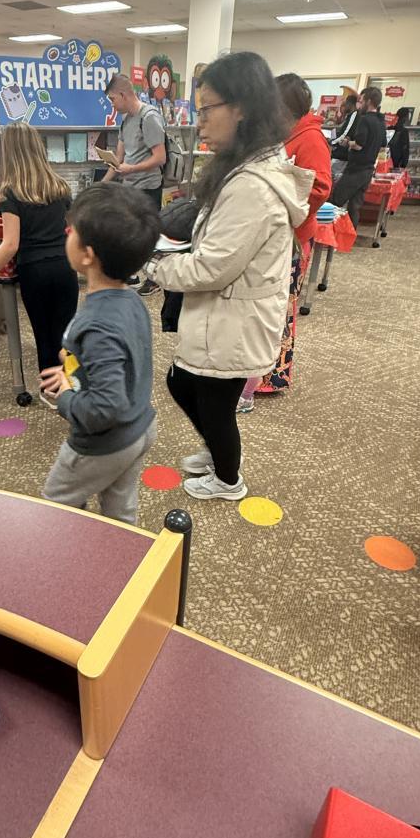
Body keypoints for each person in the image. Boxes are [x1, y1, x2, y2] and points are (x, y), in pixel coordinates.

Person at [148, 51, 311, 502]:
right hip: (226, 313)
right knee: (185, 384)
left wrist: (151, 264)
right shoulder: (243, 168)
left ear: (240, 108)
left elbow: (210, 268)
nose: (199, 123)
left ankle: (227, 479)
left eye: (207, 110)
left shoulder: (251, 186)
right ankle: (220, 454)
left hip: (233, 319)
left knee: (213, 403)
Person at [40, 183, 160, 525]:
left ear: (87, 255)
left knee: (55, 506)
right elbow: (126, 358)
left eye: (70, 232)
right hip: (139, 428)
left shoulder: (97, 323)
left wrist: (66, 396)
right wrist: (74, 365)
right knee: (120, 515)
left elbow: (106, 407)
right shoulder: (129, 300)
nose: (66, 235)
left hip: (103, 444)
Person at [0, 123, 78, 401]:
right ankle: (71, 384)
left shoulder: (11, 192)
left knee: (43, 334)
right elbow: (72, 229)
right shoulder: (59, 186)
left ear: (9, 152)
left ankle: (52, 391)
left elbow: (10, 244)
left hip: (34, 271)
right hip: (64, 267)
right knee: (66, 334)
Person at [240, 73, 330, 410]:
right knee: (266, 308)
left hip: (292, 236)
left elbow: (319, 188)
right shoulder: (287, 134)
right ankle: (256, 375)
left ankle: (266, 377)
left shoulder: (310, 139)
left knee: (276, 309)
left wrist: (283, 206)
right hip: (276, 235)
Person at [104, 71, 166, 296]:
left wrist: (131, 169)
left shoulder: (148, 117)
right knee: (127, 231)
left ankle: (154, 278)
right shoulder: (126, 120)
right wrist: (101, 185)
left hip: (148, 187)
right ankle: (130, 272)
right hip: (130, 187)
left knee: (148, 234)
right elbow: (119, 159)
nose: (112, 105)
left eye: (112, 99)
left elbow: (160, 158)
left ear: (123, 94)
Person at [331, 86, 385, 229]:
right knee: (354, 206)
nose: (358, 104)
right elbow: (383, 145)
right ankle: (350, 235)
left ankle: (328, 236)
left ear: (369, 101)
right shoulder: (381, 121)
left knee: (334, 201)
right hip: (368, 170)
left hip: (355, 169)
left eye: (361, 101)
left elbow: (359, 145)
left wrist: (348, 143)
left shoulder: (365, 120)